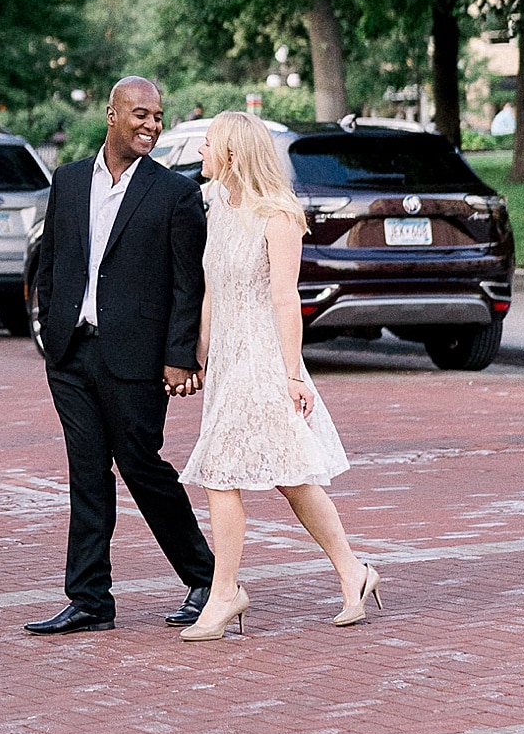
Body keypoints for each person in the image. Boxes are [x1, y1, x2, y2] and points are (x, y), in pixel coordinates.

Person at [178, 109, 382, 641]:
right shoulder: (218, 205)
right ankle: (353, 572)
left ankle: (225, 595)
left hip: (266, 360)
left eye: (208, 144)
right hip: (226, 360)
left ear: (232, 152)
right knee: (290, 479)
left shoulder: (280, 215)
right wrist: (200, 351)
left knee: (224, 471)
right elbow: (210, 289)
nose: (200, 152)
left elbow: (284, 298)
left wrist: (292, 375)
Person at [24, 77, 215, 634]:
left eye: (157, 116)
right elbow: (54, 263)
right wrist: (48, 327)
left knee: (140, 466)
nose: (152, 125)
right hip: (70, 353)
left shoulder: (174, 193)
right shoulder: (68, 180)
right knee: (86, 472)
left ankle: (208, 579)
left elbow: (189, 285)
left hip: (136, 358)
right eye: (140, 114)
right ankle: (89, 600)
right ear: (112, 115)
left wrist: (179, 356)